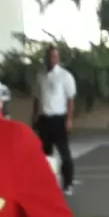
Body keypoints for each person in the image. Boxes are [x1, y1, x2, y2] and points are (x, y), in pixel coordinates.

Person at [32, 45, 77, 195]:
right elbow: (37, 98)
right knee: (45, 155)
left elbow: (70, 99)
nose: (51, 59)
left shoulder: (65, 76)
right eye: (49, 56)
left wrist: (69, 119)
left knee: (64, 153)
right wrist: (34, 117)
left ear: (58, 58)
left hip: (59, 120)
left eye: (54, 56)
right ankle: (47, 184)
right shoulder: (40, 76)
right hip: (44, 119)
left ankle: (68, 184)